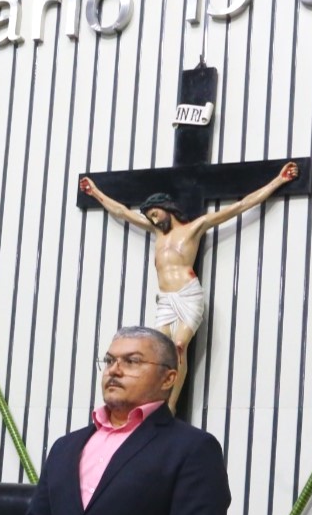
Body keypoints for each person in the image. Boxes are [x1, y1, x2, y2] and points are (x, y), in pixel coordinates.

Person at [12, 326, 229, 515]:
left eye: (132, 361)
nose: (115, 370)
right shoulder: (66, 447)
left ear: (169, 378)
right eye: (110, 360)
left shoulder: (192, 449)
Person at [81, 163, 298, 410]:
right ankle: (155, 399)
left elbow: (240, 206)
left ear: (167, 209)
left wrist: (278, 181)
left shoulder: (194, 228)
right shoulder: (156, 232)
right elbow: (121, 211)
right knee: (157, 352)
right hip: (165, 299)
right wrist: (95, 192)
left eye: (155, 213)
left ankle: (170, 404)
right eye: (149, 215)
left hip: (188, 293)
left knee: (178, 347)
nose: (153, 218)